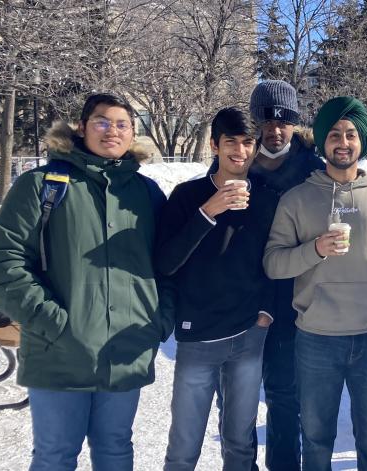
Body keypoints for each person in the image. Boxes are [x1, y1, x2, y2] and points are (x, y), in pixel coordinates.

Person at [0, 93, 170, 471]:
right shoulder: (42, 184)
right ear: (82, 128)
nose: (111, 130)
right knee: (55, 456)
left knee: (115, 449)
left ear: (133, 133)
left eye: (122, 124)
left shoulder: (146, 193)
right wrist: (51, 322)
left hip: (126, 349)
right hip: (60, 352)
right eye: (101, 121)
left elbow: (170, 264)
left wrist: (159, 321)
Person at [264, 96, 367, 471]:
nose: (343, 142)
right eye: (334, 134)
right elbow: (273, 263)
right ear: (322, 141)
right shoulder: (296, 199)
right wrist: (314, 249)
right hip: (316, 338)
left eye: (351, 134)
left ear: (362, 142)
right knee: (316, 441)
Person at [210, 80, 323, 471]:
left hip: (292, 297)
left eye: (285, 120)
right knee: (234, 401)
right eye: (266, 120)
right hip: (240, 297)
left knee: (284, 395)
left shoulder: (313, 169)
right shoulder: (233, 166)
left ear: (295, 122)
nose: (275, 129)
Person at [158, 107, 273, 470]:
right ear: (214, 145)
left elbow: (276, 260)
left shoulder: (266, 198)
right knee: (184, 445)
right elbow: (165, 263)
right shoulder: (187, 195)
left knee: (240, 443)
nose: (239, 152)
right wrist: (208, 212)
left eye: (247, 143)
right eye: (230, 143)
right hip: (198, 337)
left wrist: (268, 310)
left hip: (248, 336)